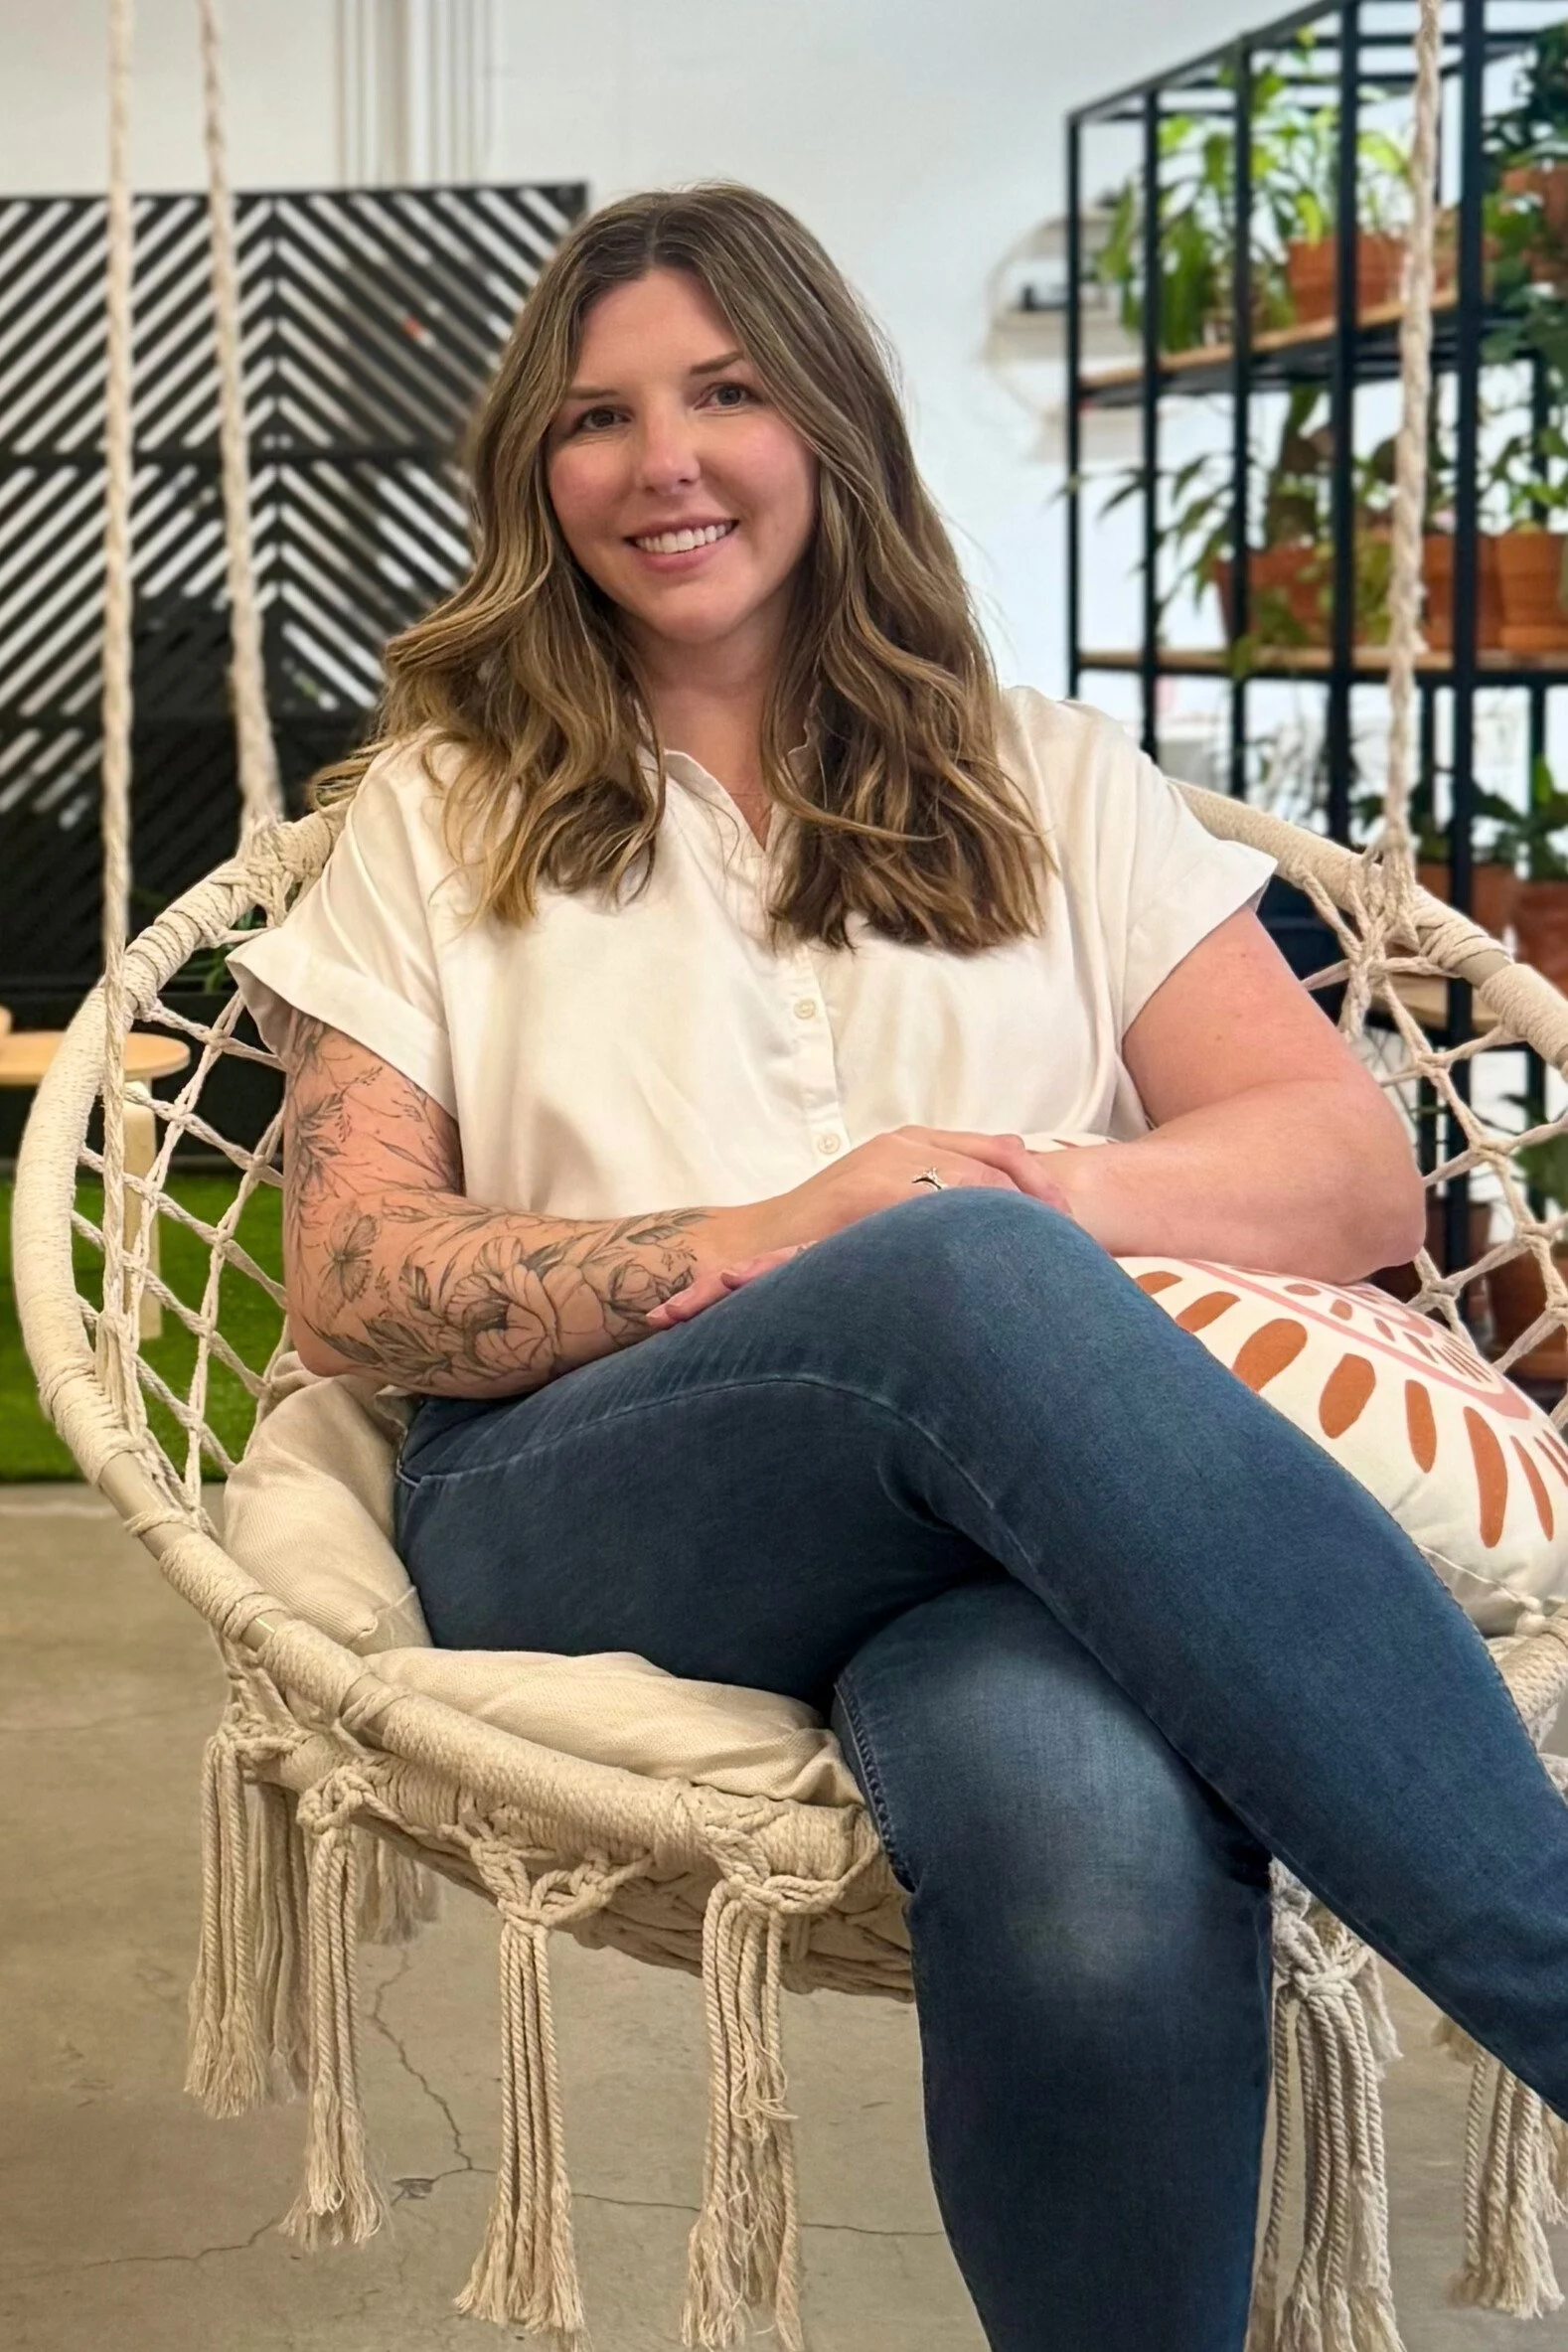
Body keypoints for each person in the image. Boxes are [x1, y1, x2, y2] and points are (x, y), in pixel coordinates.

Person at [229, 183, 1568, 2352]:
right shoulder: (443, 807)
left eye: (726, 392)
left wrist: (1004, 1196)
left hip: (1024, 1537)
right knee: (942, 1274)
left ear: (830, 422)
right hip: (590, 1501)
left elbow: (1343, 1172)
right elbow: (361, 1274)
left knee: (1091, 1841)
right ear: (535, 474)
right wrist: (799, 1236)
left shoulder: (1046, 778)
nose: (662, 460)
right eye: (596, 417)